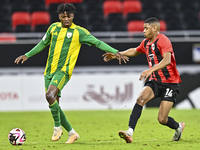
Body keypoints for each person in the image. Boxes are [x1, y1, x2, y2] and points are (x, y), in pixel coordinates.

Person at [14, 3, 128, 144]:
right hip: (49, 71)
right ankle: (72, 133)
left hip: (63, 72)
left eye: (69, 16)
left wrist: (116, 52)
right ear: (59, 16)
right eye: (63, 16)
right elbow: (42, 44)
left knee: (49, 96)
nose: (66, 19)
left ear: (73, 16)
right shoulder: (53, 28)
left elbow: (97, 43)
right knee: (54, 103)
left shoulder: (79, 32)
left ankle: (57, 127)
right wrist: (27, 55)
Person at [103, 17, 185, 143]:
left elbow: (167, 60)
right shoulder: (146, 42)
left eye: (146, 28)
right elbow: (134, 51)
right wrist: (117, 54)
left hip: (170, 83)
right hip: (155, 81)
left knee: (162, 119)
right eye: (143, 28)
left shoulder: (163, 40)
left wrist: (150, 70)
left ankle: (178, 127)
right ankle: (129, 132)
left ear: (154, 28)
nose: (143, 31)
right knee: (140, 99)